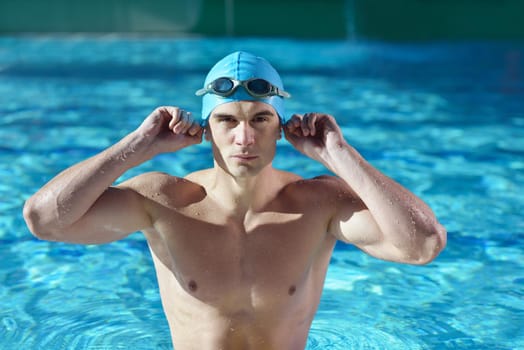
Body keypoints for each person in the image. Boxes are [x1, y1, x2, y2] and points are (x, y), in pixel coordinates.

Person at [23, 51, 446, 350]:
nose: (244, 138)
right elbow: (44, 220)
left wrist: (341, 156)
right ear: (207, 128)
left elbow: (423, 246)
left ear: (279, 127)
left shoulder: (319, 204)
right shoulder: (164, 200)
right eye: (227, 120)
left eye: (260, 119)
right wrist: (138, 146)